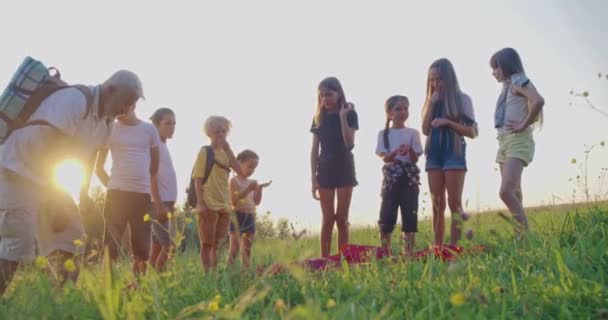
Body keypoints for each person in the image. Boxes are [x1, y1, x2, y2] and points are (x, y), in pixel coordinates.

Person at [0, 70, 143, 295]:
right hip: (16, 168)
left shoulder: (106, 123)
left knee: (71, 237)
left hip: (44, 179)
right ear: (110, 90)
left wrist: (83, 194)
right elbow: (51, 146)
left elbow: (88, 158)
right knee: (19, 239)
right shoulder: (76, 99)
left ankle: (61, 303)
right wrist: (56, 203)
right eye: (126, 102)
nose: (127, 109)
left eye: (132, 105)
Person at [95, 101, 161, 276]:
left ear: (132, 104)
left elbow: (154, 167)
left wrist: (148, 190)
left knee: (141, 247)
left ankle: (138, 286)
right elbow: (98, 168)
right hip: (116, 195)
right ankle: (108, 288)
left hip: (142, 195)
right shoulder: (110, 129)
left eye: (124, 104)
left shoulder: (149, 130)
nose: (120, 110)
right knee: (111, 244)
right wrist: (112, 186)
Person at [421, 58, 478, 246]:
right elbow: (425, 130)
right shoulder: (431, 102)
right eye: (432, 80)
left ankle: (454, 248)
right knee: (437, 205)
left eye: (440, 79)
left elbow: (472, 132)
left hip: (454, 154)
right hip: (434, 155)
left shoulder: (462, 99)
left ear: (449, 78)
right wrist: (431, 103)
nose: (436, 84)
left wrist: (449, 122)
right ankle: (437, 248)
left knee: (455, 203)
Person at [491, 47, 545, 237]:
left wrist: (524, 123)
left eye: (496, 68)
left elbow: (538, 101)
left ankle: (525, 236)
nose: (493, 73)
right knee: (515, 192)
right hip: (504, 141)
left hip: (517, 140)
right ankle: (520, 239)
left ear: (505, 66)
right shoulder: (507, 86)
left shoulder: (517, 81)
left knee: (506, 192)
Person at [310, 77, 359, 257]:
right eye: (322, 96)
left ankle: (343, 259)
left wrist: (342, 117)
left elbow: (349, 143)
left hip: (345, 167)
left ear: (339, 94)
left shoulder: (350, 114)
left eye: (329, 94)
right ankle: (325, 260)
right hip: (325, 169)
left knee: (342, 219)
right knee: (327, 219)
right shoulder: (318, 118)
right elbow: (314, 149)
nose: (325, 99)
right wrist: (313, 178)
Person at [192, 116, 242, 271]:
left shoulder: (226, 153)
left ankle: (214, 272)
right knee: (207, 243)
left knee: (218, 243)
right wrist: (200, 203)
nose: (221, 134)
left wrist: (228, 149)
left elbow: (240, 171)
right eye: (217, 131)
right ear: (209, 133)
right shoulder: (205, 152)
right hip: (208, 203)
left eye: (224, 131)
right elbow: (198, 178)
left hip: (224, 204)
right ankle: (206, 274)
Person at [376, 95, 423, 255]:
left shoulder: (413, 133)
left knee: (410, 213)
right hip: (391, 178)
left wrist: (409, 150)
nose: (403, 112)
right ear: (389, 113)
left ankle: (408, 251)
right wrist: (394, 153)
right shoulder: (384, 134)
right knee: (387, 213)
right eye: (398, 109)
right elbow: (384, 157)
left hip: (409, 178)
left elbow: (415, 158)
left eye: (406, 108)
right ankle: (385, 251)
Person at [227, 150, 271, 268]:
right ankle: (227, 271)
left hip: (250, 216)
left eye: (254, 168)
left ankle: (246, 273)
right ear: (239, 163)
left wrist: (259, 189)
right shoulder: (234, 181)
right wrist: (248, 189)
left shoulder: (252, 182)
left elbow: (256, 202)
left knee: (247, 248)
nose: (251, 170)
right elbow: (234, 201)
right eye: (249, 166)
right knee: (235, 248)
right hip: (237, 216)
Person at [148, 108, 178, 272]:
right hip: (158, 203)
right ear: (156, 125)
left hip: (167, 203)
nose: (172, 127)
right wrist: (159, 205)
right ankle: (159, 280)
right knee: (170, 246)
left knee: (158, 247)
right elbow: (151, 176)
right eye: (167, 123)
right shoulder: (155, 146)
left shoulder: (164, 145)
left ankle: (144, 283)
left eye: (174, 123)